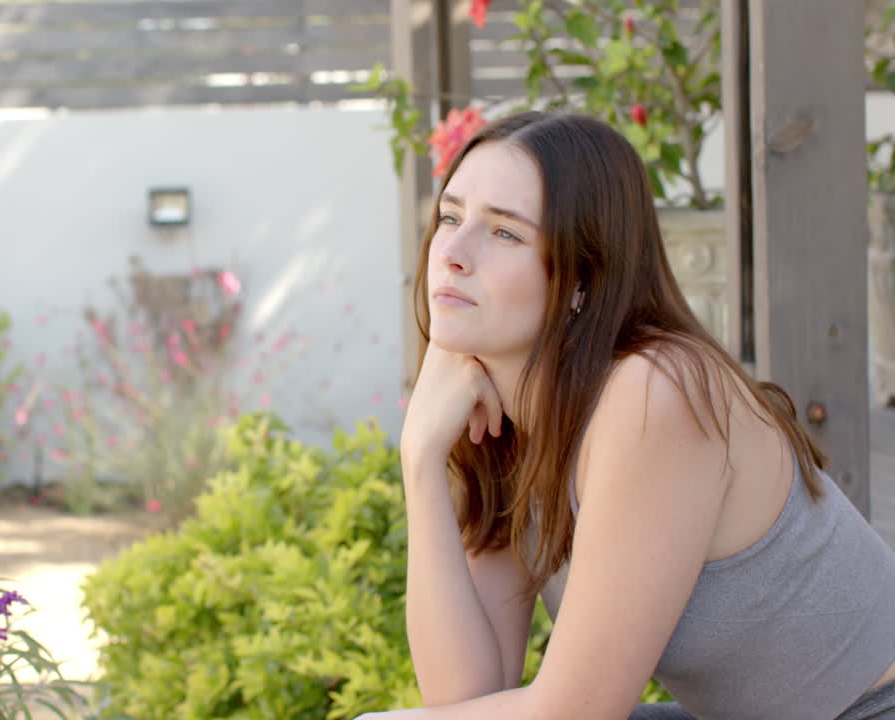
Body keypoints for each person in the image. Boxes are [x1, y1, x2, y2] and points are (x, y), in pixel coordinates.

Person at [360, 111, 895, 720]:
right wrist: (421, 460)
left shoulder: (654, 391)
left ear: (582, 279)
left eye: (504, 233)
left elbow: (580, 710)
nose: (451, 253)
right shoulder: (509, 425)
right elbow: (465, 694)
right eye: (451, 218)